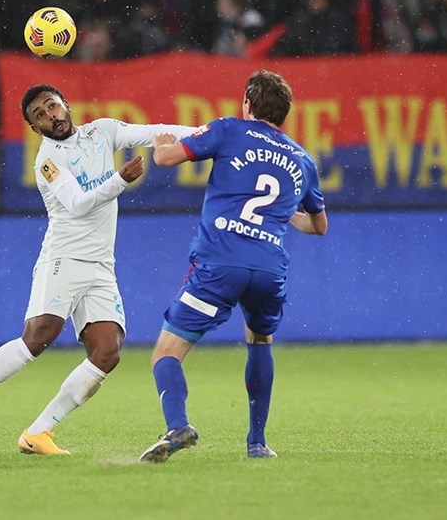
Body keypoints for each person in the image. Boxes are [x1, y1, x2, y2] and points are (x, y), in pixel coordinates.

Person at [0, 84, 197, 456]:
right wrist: (120, 180)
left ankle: (38, 432)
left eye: (52, 106)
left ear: (66, 105)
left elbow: (155, 131)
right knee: (37, 337)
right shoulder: (46, 161)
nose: (50, 116)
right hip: (63, 258)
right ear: (35, 129)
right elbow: (78, 205)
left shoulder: (102, 131)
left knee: (107, 352)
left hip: (101, 265)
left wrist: (208, 134)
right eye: (40, 116)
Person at [138, 70, 328, 463]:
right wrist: (282, 214)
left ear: (247, 103)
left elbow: (166, 158)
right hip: (268, 268)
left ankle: (178, 426)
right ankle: (257, 443)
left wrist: (160, 144)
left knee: (166, 353)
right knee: (259, 340)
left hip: (221, 262)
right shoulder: (303, 159)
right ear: (284, 113)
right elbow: (319, 226)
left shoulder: (229, 129)